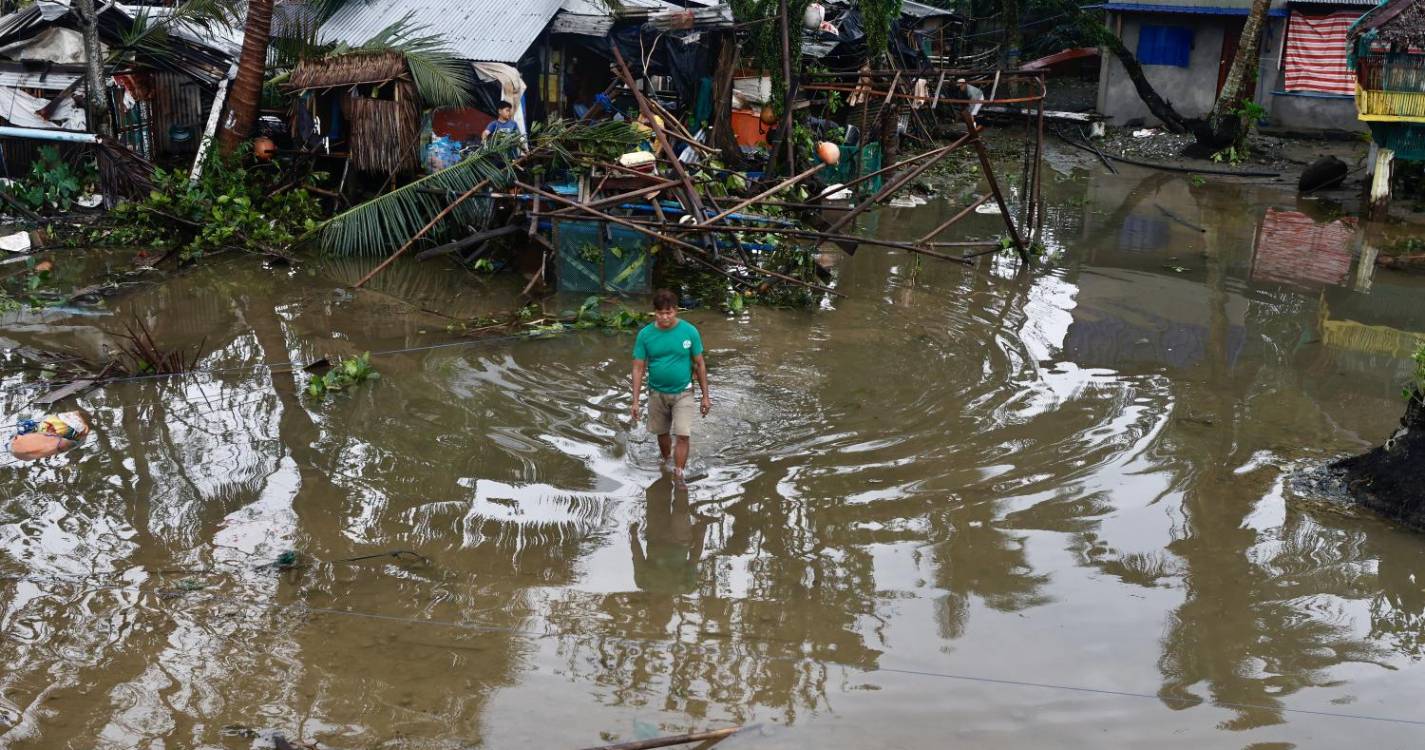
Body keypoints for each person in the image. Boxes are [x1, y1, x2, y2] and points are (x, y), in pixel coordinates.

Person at [631, 289, 710, 481]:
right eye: (660, 313)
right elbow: (638, 368)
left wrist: (706, 396)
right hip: (656, 393)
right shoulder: (645, 335)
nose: (664, 317)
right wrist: (634, 401)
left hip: (684, 392)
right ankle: (667, 460)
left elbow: (699, 364)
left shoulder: (689, 331)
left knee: (683, 434)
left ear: (676, 311)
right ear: (654, 312)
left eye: (669, 313)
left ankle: (679, 473)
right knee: (662, 433)